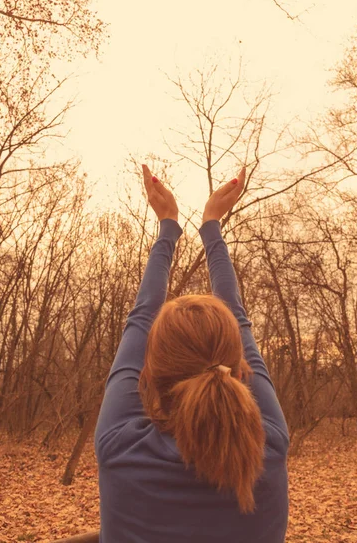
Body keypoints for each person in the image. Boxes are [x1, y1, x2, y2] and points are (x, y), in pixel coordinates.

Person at [94, 164, 290, 543]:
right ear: (238, 368)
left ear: (148, 373)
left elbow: (140, 318)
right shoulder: (269, 444)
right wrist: (211, 225)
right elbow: (237, 315)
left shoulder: (120, 446)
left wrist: (169, 226)